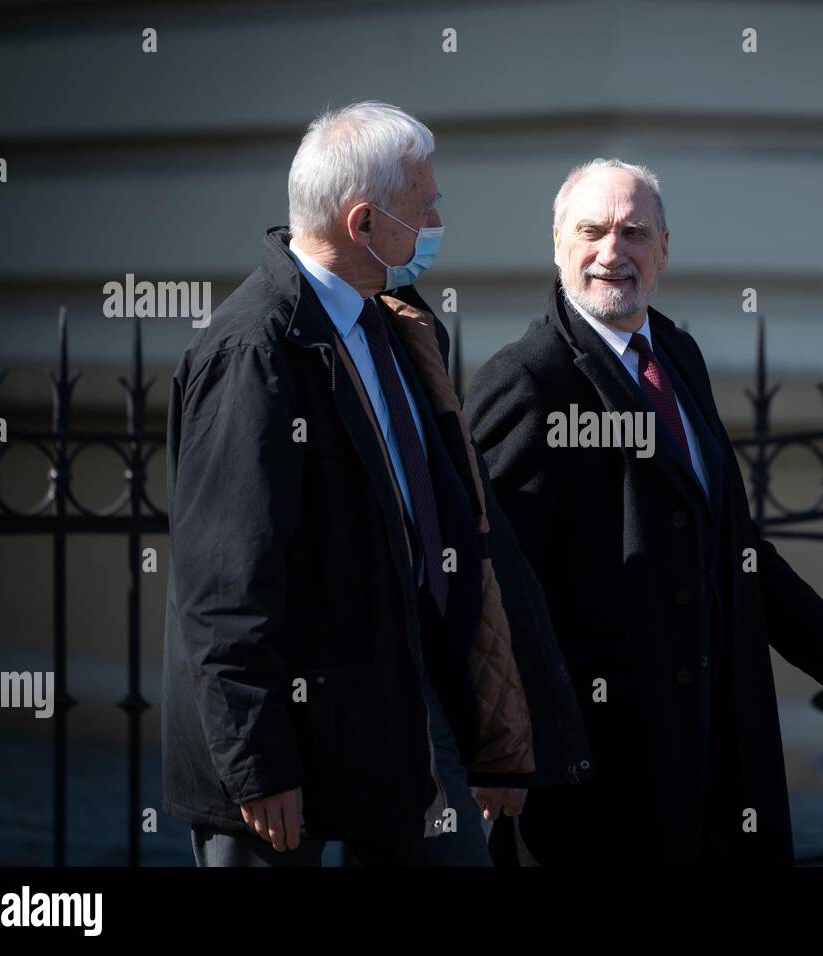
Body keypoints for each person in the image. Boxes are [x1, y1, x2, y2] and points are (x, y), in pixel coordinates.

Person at [161, 102, 589, 867]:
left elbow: (452, 528)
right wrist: (258, 765)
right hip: (286, 747)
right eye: (424, 204)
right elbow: (222, 584)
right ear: (364, 224)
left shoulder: (393, 324)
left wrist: (499, 729)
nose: (436, 217)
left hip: (405, 711)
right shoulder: (256, 350)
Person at [466, 158, 823, 864]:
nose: (611, 252)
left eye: (633, 232)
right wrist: (498, 745)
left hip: (715, 750)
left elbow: (726, 534)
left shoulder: (676, 355)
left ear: (664, 250)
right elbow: (487, 584)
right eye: (591, 231)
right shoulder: (527, 379)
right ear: (557, 242)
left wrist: (818, 636)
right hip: (597, 777)